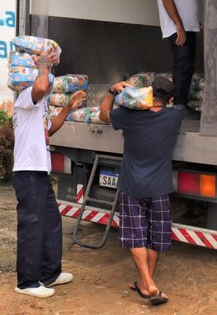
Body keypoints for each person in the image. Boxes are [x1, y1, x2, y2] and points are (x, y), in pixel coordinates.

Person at [98, 76, 182, 306]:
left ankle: (147, 283)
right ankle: (146, 283)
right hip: (159, 187)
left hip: (132, 185)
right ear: (171, 99)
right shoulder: (175, 117)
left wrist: (112, 91)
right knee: (155, 237)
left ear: (148, 92)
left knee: (136, 235)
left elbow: (102, 115)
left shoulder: (129, 115)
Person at [12, 47, 86, 299]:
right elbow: (41, 87)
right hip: (27, 170)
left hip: (39, 170)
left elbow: (49, 130)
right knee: (32, 226)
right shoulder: (24, 96)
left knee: (51, 222)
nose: (49, 73)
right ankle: (27, 282)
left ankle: (49, 273)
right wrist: (43, 64)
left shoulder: (40, 103)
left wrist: (68, 107)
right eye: (45, 71)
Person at [156, 0, 201, 120]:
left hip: (188, 28)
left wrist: (195, 23)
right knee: (182, 64)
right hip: (178, 30)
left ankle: (183, 103)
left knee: (188, 65)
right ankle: (178, 106)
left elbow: (184, 3)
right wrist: (179, 26)